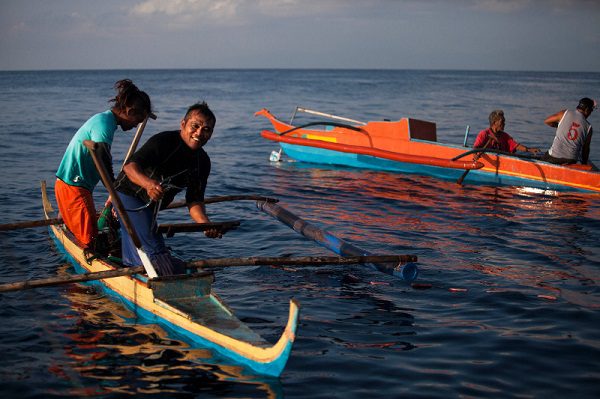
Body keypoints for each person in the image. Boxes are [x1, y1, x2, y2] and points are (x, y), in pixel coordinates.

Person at [114, 102, 221, 276]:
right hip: (127, 196)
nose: (199, 133)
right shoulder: (164, 141)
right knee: (157, 255)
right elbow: (130, 167)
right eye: (195, 126)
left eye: (207, 129)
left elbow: (194, 201)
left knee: (141, 254)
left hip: (150, 208)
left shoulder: (203, 162)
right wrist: (148, 184)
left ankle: (131, 268)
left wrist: (205, 224)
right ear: (183, 124)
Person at [55, 79, 152, 249]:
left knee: (92, 232)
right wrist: (115, 189)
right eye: (138, 119)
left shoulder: (107, 121)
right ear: (129, 111)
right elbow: (101, 155)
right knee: (90, 241)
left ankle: (69, 220)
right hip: (73, 187)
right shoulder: (104, 123)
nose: (137, 125)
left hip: (76, 186)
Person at [542, 97, 596, 167]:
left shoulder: (565, 113)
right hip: (571, 160)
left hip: (553, 157)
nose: (590, 113)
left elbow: (547, 121)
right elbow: (585, 150)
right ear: (587, 110)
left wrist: (559, 126)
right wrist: (584, 164)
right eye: (591, 111)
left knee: (544, 158)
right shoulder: (589, 127)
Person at [473, 109, 540, 154]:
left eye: (504, 122)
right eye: (502, 122)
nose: (504, 124)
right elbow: (475, 148)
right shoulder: (484, 134)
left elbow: (515, 145)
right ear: (494, 122)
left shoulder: (505, 136)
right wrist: (475, 154)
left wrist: (529, 150)